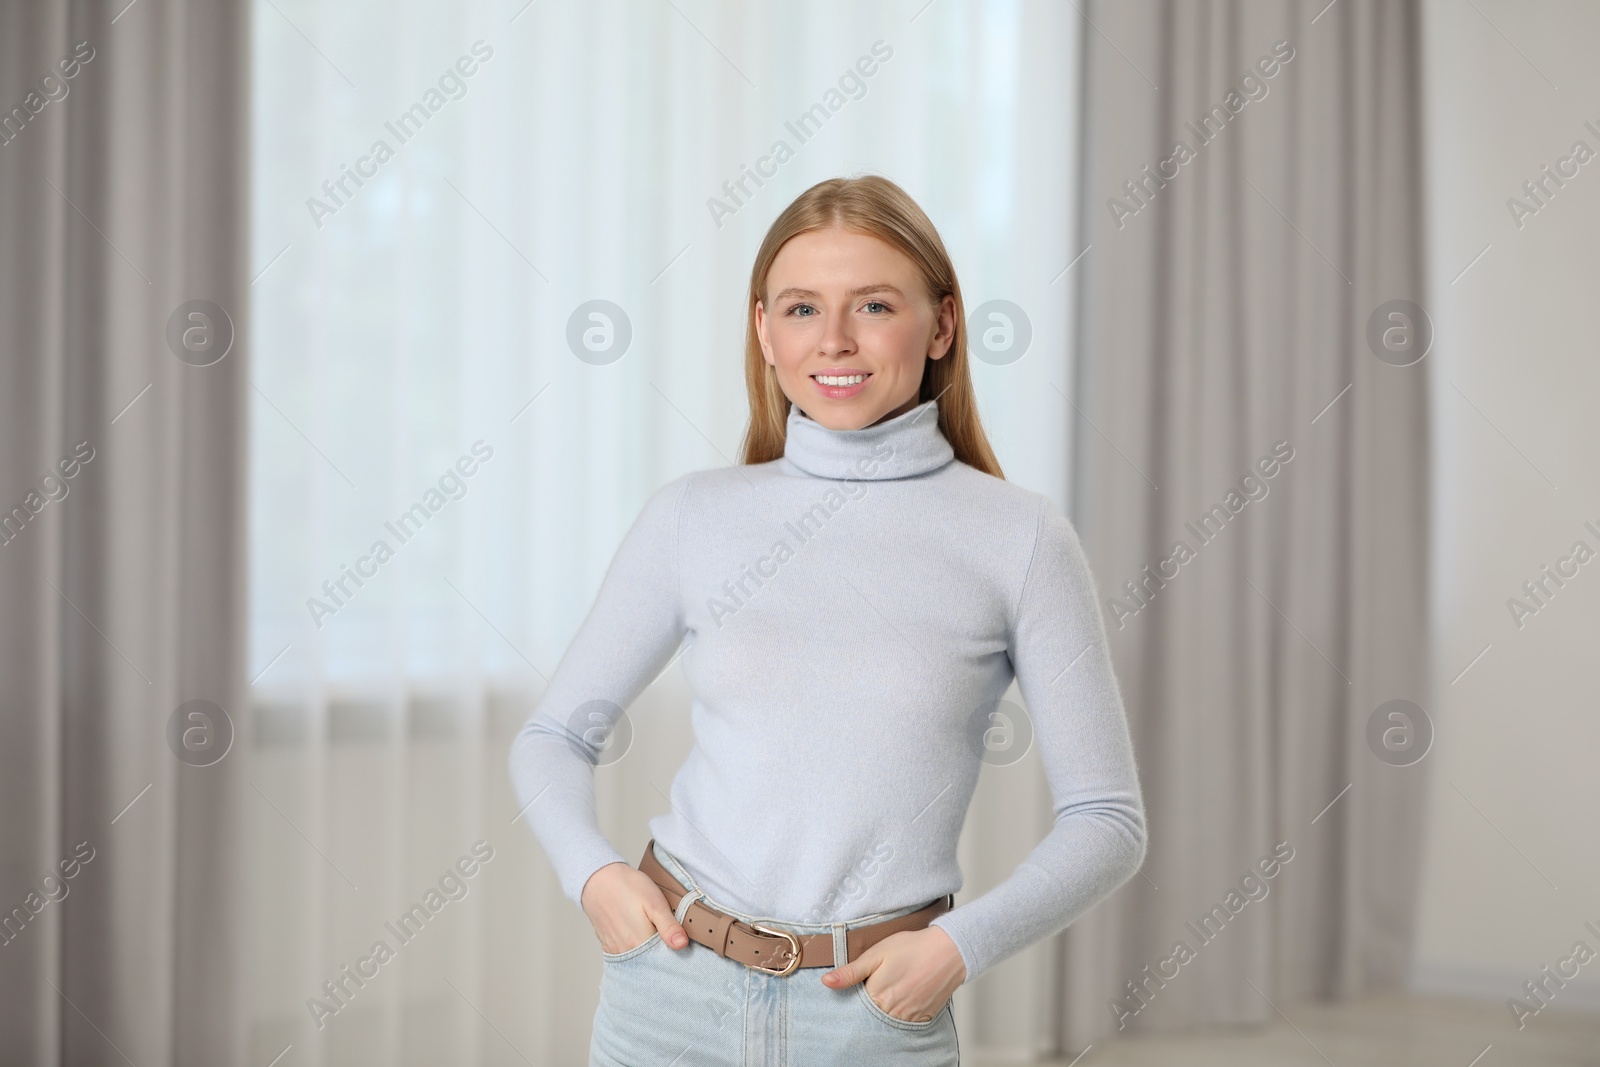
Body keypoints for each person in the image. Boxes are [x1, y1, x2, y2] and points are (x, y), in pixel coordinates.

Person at [508, 174, 1147, 1065]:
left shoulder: (1021, 536)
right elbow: (550, 735)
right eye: (803, 307)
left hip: (873, 1019)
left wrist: (958, 948)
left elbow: (1106, 820)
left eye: (875, 303)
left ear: (943, 325)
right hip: (670, 992)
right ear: (764, 330)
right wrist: (596, 878)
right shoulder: (694, 514)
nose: (835, 339)